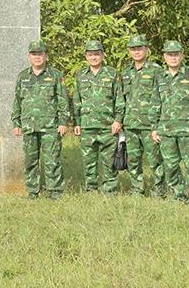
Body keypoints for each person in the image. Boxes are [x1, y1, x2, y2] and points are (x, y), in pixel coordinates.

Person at [12, 39, 71, 200]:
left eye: (40, 54)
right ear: (29, 56)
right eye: (34, 54)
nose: (37, 57)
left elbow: (63, 100)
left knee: (52, 160)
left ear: (46, 56)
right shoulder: (23, 76)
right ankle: (33, 192)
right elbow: (17, 101)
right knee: (30, 161)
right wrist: (16, 123)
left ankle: (55, 192)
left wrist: (64, 122)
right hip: (29, 126)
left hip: (50, 126)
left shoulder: (55, 75)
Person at [152, 40, 189, 206]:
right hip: (166, 130)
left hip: (188, 129)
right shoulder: (160, 76)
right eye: (170, 54)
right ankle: (178, 196)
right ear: (164, 56)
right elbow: (155, 102)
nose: (173, 57)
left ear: (182, 55)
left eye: (176, 54)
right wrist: (154, 127)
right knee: (170, 165)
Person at [71, 40, 123, 194]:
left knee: (109, 162)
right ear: (86, 56)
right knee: (89, 162)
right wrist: (77, 122)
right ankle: (91, 190)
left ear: (103, 54)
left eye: (97, 54)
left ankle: (110, 190)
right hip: (87, 126)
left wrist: (118, 120)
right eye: (90, 54)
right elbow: (77, 101)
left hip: (108, 126)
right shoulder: (81, 76)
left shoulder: (112, 74)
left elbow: (119, 99)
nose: (94, 57)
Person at [118, 34, 165, 197]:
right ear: (129, 51)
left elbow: (162, 96)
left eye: (140, 48)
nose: (136, 52)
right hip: (130, 124)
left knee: (155, 160)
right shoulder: (125, 73)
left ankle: (159, 190)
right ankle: (137, 188)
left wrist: (158, 124)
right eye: (133, 49)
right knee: (133, 159)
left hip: (149, 125)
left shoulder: (156, 70)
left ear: (147, 50)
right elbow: (122, 99)